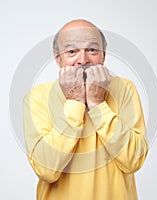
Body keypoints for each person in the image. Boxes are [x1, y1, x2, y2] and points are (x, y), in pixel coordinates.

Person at [23, 19, 148, 200]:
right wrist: (75, 102)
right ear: (58, 58)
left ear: (103, 55)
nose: (82, 60)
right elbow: (46, 170)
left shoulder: (125, 89)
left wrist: (98, 105)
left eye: (92, 50)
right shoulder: (38, 96)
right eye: (72, 51)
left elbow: (133, 160)